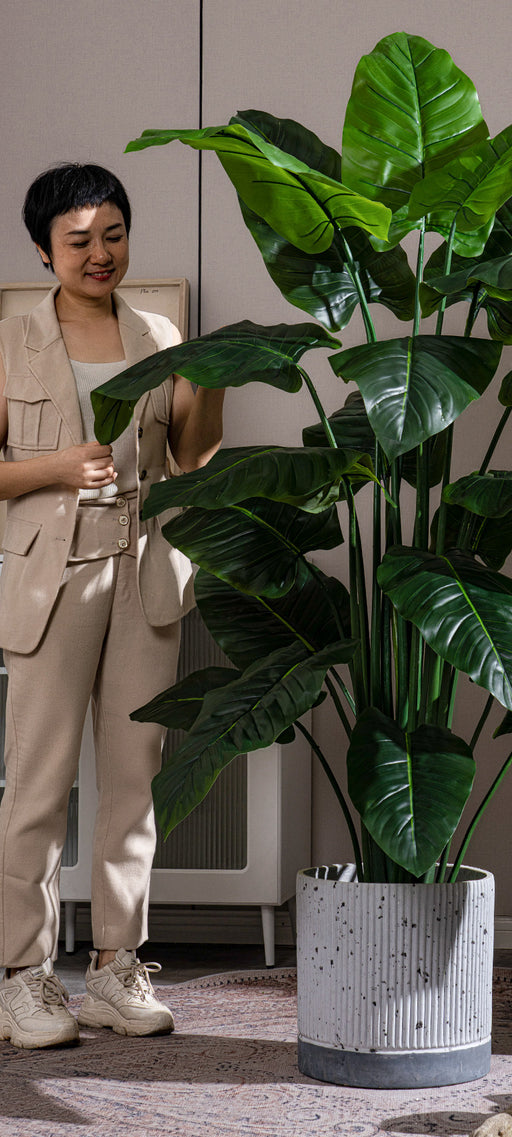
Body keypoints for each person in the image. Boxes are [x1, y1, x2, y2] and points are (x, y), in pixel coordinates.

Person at [0, 163, 225, 1049]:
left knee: (133, 786)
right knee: (38, 788)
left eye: (114, 234)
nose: (100, 253)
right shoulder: (11, 341)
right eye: (79, 240)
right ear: (45, 249)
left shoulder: (160, 332)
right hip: (50, 582)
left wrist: (208, 376)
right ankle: (23, 978)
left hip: (144, 575)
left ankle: (112, 973)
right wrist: (54, 469)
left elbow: (194, 461)